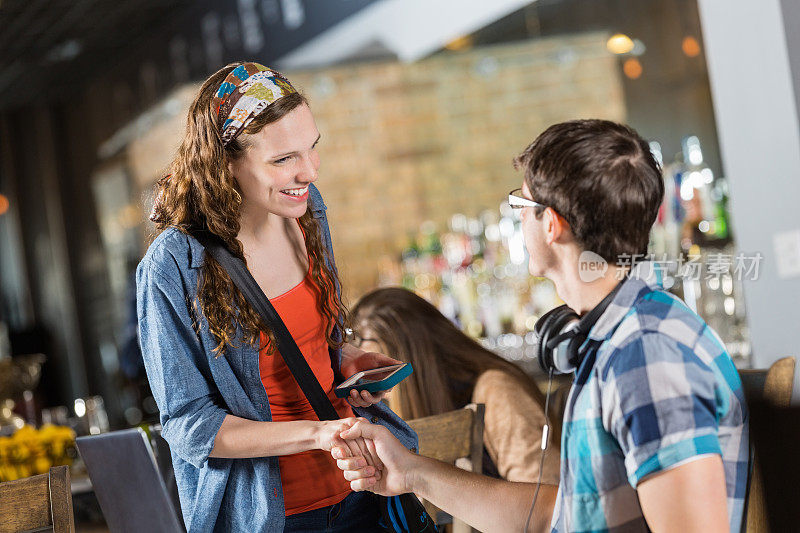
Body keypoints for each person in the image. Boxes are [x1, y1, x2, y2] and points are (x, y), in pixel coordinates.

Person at [333, 119, 748, 533]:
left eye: (520, 207)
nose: (519, 221)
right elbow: (557, 516)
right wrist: (409, 471)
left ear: (551, 224)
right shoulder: (615, 339)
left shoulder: (646, 353)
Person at [137, 62, 412, 532]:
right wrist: (317, 433)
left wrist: (345, 361)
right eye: (283, 159)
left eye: (312, 148)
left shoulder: (307, 211)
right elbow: (189, 425)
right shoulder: (174, 266)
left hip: (363, 484)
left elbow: (307, 342)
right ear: (225, 162)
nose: (307, 171)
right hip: (273, 516)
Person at [349, 287, 560, 484]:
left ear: (410, 353)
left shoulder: (495, 390)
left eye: (359, 343)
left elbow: (542, 496)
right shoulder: (425, 403)